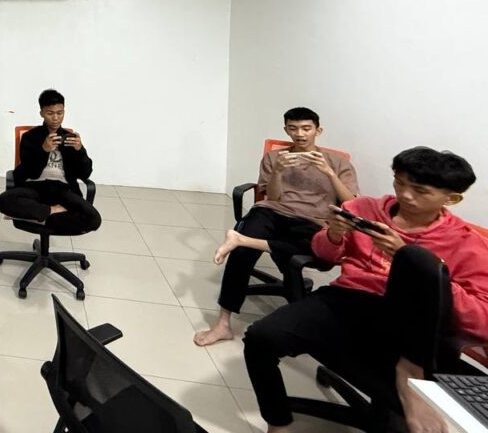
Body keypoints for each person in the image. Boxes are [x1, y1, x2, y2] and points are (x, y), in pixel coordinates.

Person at [243, 147, 488, 433]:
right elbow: (323, 255)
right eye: (399, 182)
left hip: (413, 326)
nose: (405, 195)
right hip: (348, 300)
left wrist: (411, 263)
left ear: (452, 198)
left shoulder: (467, 244)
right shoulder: (364, 209)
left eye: (420, 191)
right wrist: (334, 234)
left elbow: (481, 321)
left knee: (418, 262)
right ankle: (277, 423)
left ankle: (408, 371)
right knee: (260, 337)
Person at [194, 107, 358, 347]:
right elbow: (273, 197)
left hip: (313, 221)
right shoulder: (274, 158)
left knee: (318, 250)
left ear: (318, 130)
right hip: (273, 213)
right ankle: (223, 324)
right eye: (293, 128)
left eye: (306, 128)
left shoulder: (338, 163)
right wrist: (279, 171)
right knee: (240, 253)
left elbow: (351, 203)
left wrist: (329, 172)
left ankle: (244, 239)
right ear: (286, 130)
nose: (300, 134)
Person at [0, 89, 102, 235]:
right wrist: (44, 150)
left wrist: (80, 150)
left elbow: (85, 173)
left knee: (94, 219)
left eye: (60, 113)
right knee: (4, 200)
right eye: (50, 113)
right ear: (42, 113)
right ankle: (53, 212)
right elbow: (30, 172)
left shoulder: (70, 139)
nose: (56, 118)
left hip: (63, 189)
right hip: (34, 187)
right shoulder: (30, 137)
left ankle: (38, 216)